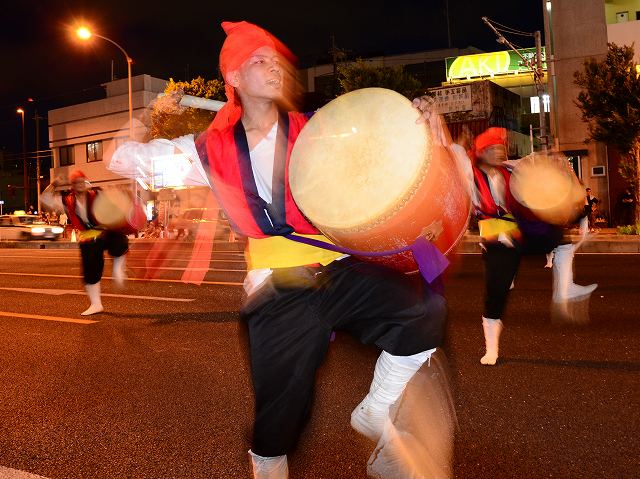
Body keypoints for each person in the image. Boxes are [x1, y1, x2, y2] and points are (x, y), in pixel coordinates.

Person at [113, 21, 448, 478]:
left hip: (337, 267)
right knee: (282, 417)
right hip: (277, 287)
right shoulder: (206, 151)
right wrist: (147, 113)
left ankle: (375, 410)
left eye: (275, 60)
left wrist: (418, 115)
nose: (274, 67)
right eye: (259, 61)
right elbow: (123, 159)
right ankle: (268, 462)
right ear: (233, 77)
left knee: (423, 313)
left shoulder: (316, 129)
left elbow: (379, 138)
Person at [453, 127, 597, 365]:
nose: (500, 152)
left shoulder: (510, 168)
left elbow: (535, 163)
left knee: (559, 238)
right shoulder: (470, 174)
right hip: (495, 237)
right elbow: (456, 155)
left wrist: (553, 159)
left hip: (520, 232)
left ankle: (564, 290)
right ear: (482, 152)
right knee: (496, 293)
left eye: (502, 148)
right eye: (494, 148)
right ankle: (491, 348)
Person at [41, 170, 128, 315]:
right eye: (77, 182)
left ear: (86, 183)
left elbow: (117, 203)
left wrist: (119, 193)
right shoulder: (67, 201)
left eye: (82, 181)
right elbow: (44, 199)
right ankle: (96, 304)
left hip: (104, 232)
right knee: (90, 272)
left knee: (119, 239)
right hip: (88, 238)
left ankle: (118, 268)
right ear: (73, 185)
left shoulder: (97, 194)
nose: (80, 184)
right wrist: (54, 184)